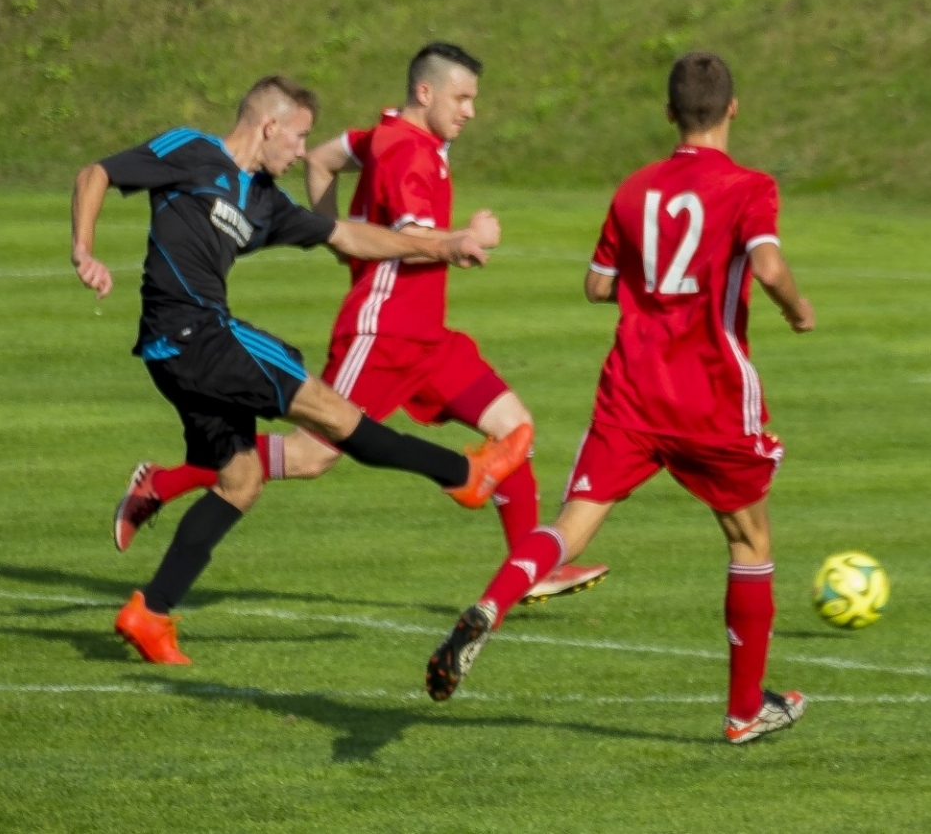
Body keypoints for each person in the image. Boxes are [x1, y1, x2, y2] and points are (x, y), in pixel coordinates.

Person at [110, 43, 607, 605]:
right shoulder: (408, 155)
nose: (471, 111)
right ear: (426, 92)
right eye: (462, 98)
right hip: (384, 333)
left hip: (429, 338)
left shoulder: (382, 134)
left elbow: (322, 157)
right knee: (314, 453)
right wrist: (462, 239)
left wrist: (335, 238)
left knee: (515, 429)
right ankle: (165, 482)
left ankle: (528, 568)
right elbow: (416, 247)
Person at [422, 52, 817, 745]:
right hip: (709, 392)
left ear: (669, 113)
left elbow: (597, 286)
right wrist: (796, 306)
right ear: (732, 108)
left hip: (632, 390)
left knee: (572, 524)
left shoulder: (635, 188)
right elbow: (769, 264)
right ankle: (744, 710)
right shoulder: (750, 185)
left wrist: (648, 274)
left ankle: (492, 603)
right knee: (749, 538)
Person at [73, 75, 528, 665]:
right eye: (297, 137)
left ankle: (150, 614)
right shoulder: (190, 151)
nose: (299, 152)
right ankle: (461, 475)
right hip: (196, 335)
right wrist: (84, 249)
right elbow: (96, 174)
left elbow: (352, 237)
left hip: (178, 355)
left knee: (239, 482)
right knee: (335, 415)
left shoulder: (264, 201)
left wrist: (448, 244)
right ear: (268, 127)